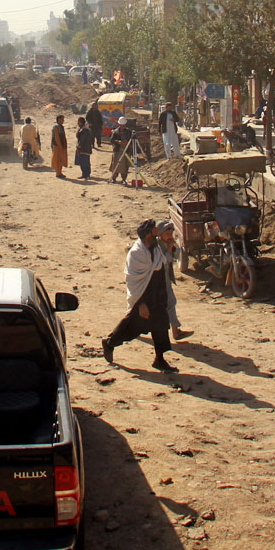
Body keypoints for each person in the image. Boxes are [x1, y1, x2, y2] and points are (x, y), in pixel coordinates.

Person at [101, 220, 177, 372]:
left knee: (161, 326)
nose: (156, 236)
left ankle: (159, 359)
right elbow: (133, 280)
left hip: (157, 297)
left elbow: (160, 266)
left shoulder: (154, 249)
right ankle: (109, 343)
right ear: (147, 235)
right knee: (132, 327)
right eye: (154, 232)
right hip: (144, 297)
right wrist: (141, 303)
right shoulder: (136, 254)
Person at [156, 220, 193, 341]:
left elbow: (177, 257)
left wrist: (174, 247)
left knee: (170, 303)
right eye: (167, 234)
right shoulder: (157, 246)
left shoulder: (168, 243)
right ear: (160, 234)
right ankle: (175, 332)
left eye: (171, 233)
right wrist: (169, 249)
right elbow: (161, 263)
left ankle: (175, 331)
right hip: (158, 281)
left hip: (165, 280)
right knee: (168, 303)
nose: (169, 236)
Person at [109, 116, 134, 184]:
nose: (123, 126)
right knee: (115, 164)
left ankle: (123, 179)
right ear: (119, 124)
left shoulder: (129, 132)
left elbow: (132, 141)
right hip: (117, 150)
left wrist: (127, 142)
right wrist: (118, 142)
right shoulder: (115, 132)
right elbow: (112, 140)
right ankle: (113, 178)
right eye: (121, 125)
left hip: (126, 150)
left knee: (125, 165)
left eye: (124, 125)